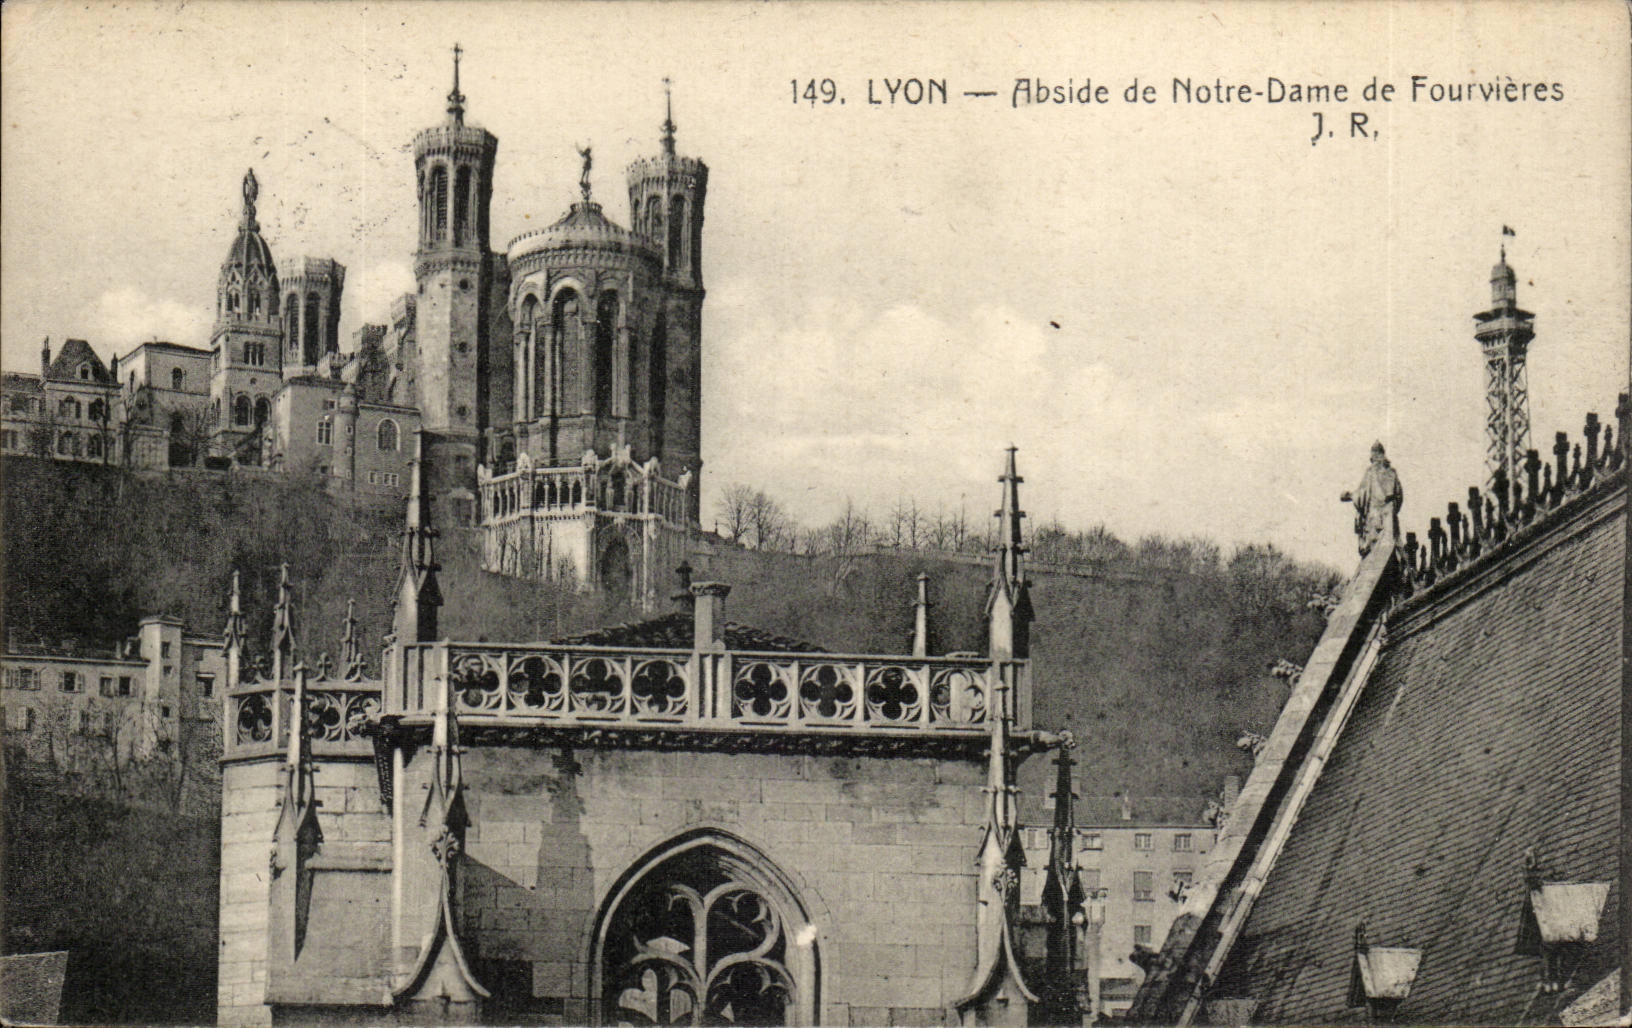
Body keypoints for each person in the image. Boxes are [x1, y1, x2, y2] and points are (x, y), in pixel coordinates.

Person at [1341, 442, 1403, 556]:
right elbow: (1399, 496)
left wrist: (1350, 495)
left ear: (1373, 455)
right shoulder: (1392, 472)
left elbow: (1362, 494)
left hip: (1374, 519)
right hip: (1390, 520)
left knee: (1373, 552)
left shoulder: (1371, 471)